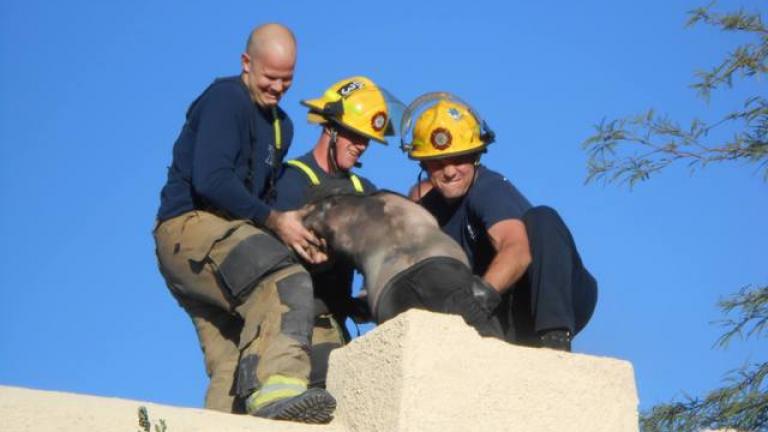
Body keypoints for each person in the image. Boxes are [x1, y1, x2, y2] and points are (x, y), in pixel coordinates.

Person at [153, 24, 336, 423]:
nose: (277, 88)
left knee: (235, 356)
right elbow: (212, 180)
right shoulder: (225, 99)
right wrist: (275, 222)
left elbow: (264, 199)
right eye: (270, 78)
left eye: (287, 80)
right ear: (246, 63)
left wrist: (300, 231)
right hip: (189, 228)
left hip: (226, 244)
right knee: (284, 281)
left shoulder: (281, 126)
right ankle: (281, 392)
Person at [401, 93, 598, 351]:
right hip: (507, 317)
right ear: (424, 164)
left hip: (558, 297)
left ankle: (555, 339)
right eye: (438, 163)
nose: (449, 171)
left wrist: (476, 298)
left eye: (459, 159)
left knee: (543, 218)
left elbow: (517, 250)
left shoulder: (488, 189)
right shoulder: (426, 212)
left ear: (476, 156)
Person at [270, 76, 395, 387]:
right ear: (330, 127)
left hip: (334, 319)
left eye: (367, 139)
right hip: (291, 318)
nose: (361, 146)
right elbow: (280, 253)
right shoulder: (292, 179)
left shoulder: (364, 190)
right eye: (355, 135)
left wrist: (371, 291)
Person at [299, 191, 503, 339]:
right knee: (488, 347)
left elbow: (301, 247)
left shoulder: (326, 212)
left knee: (413, 365)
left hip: (390, 285)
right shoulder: (404, 203)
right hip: (442, 264)